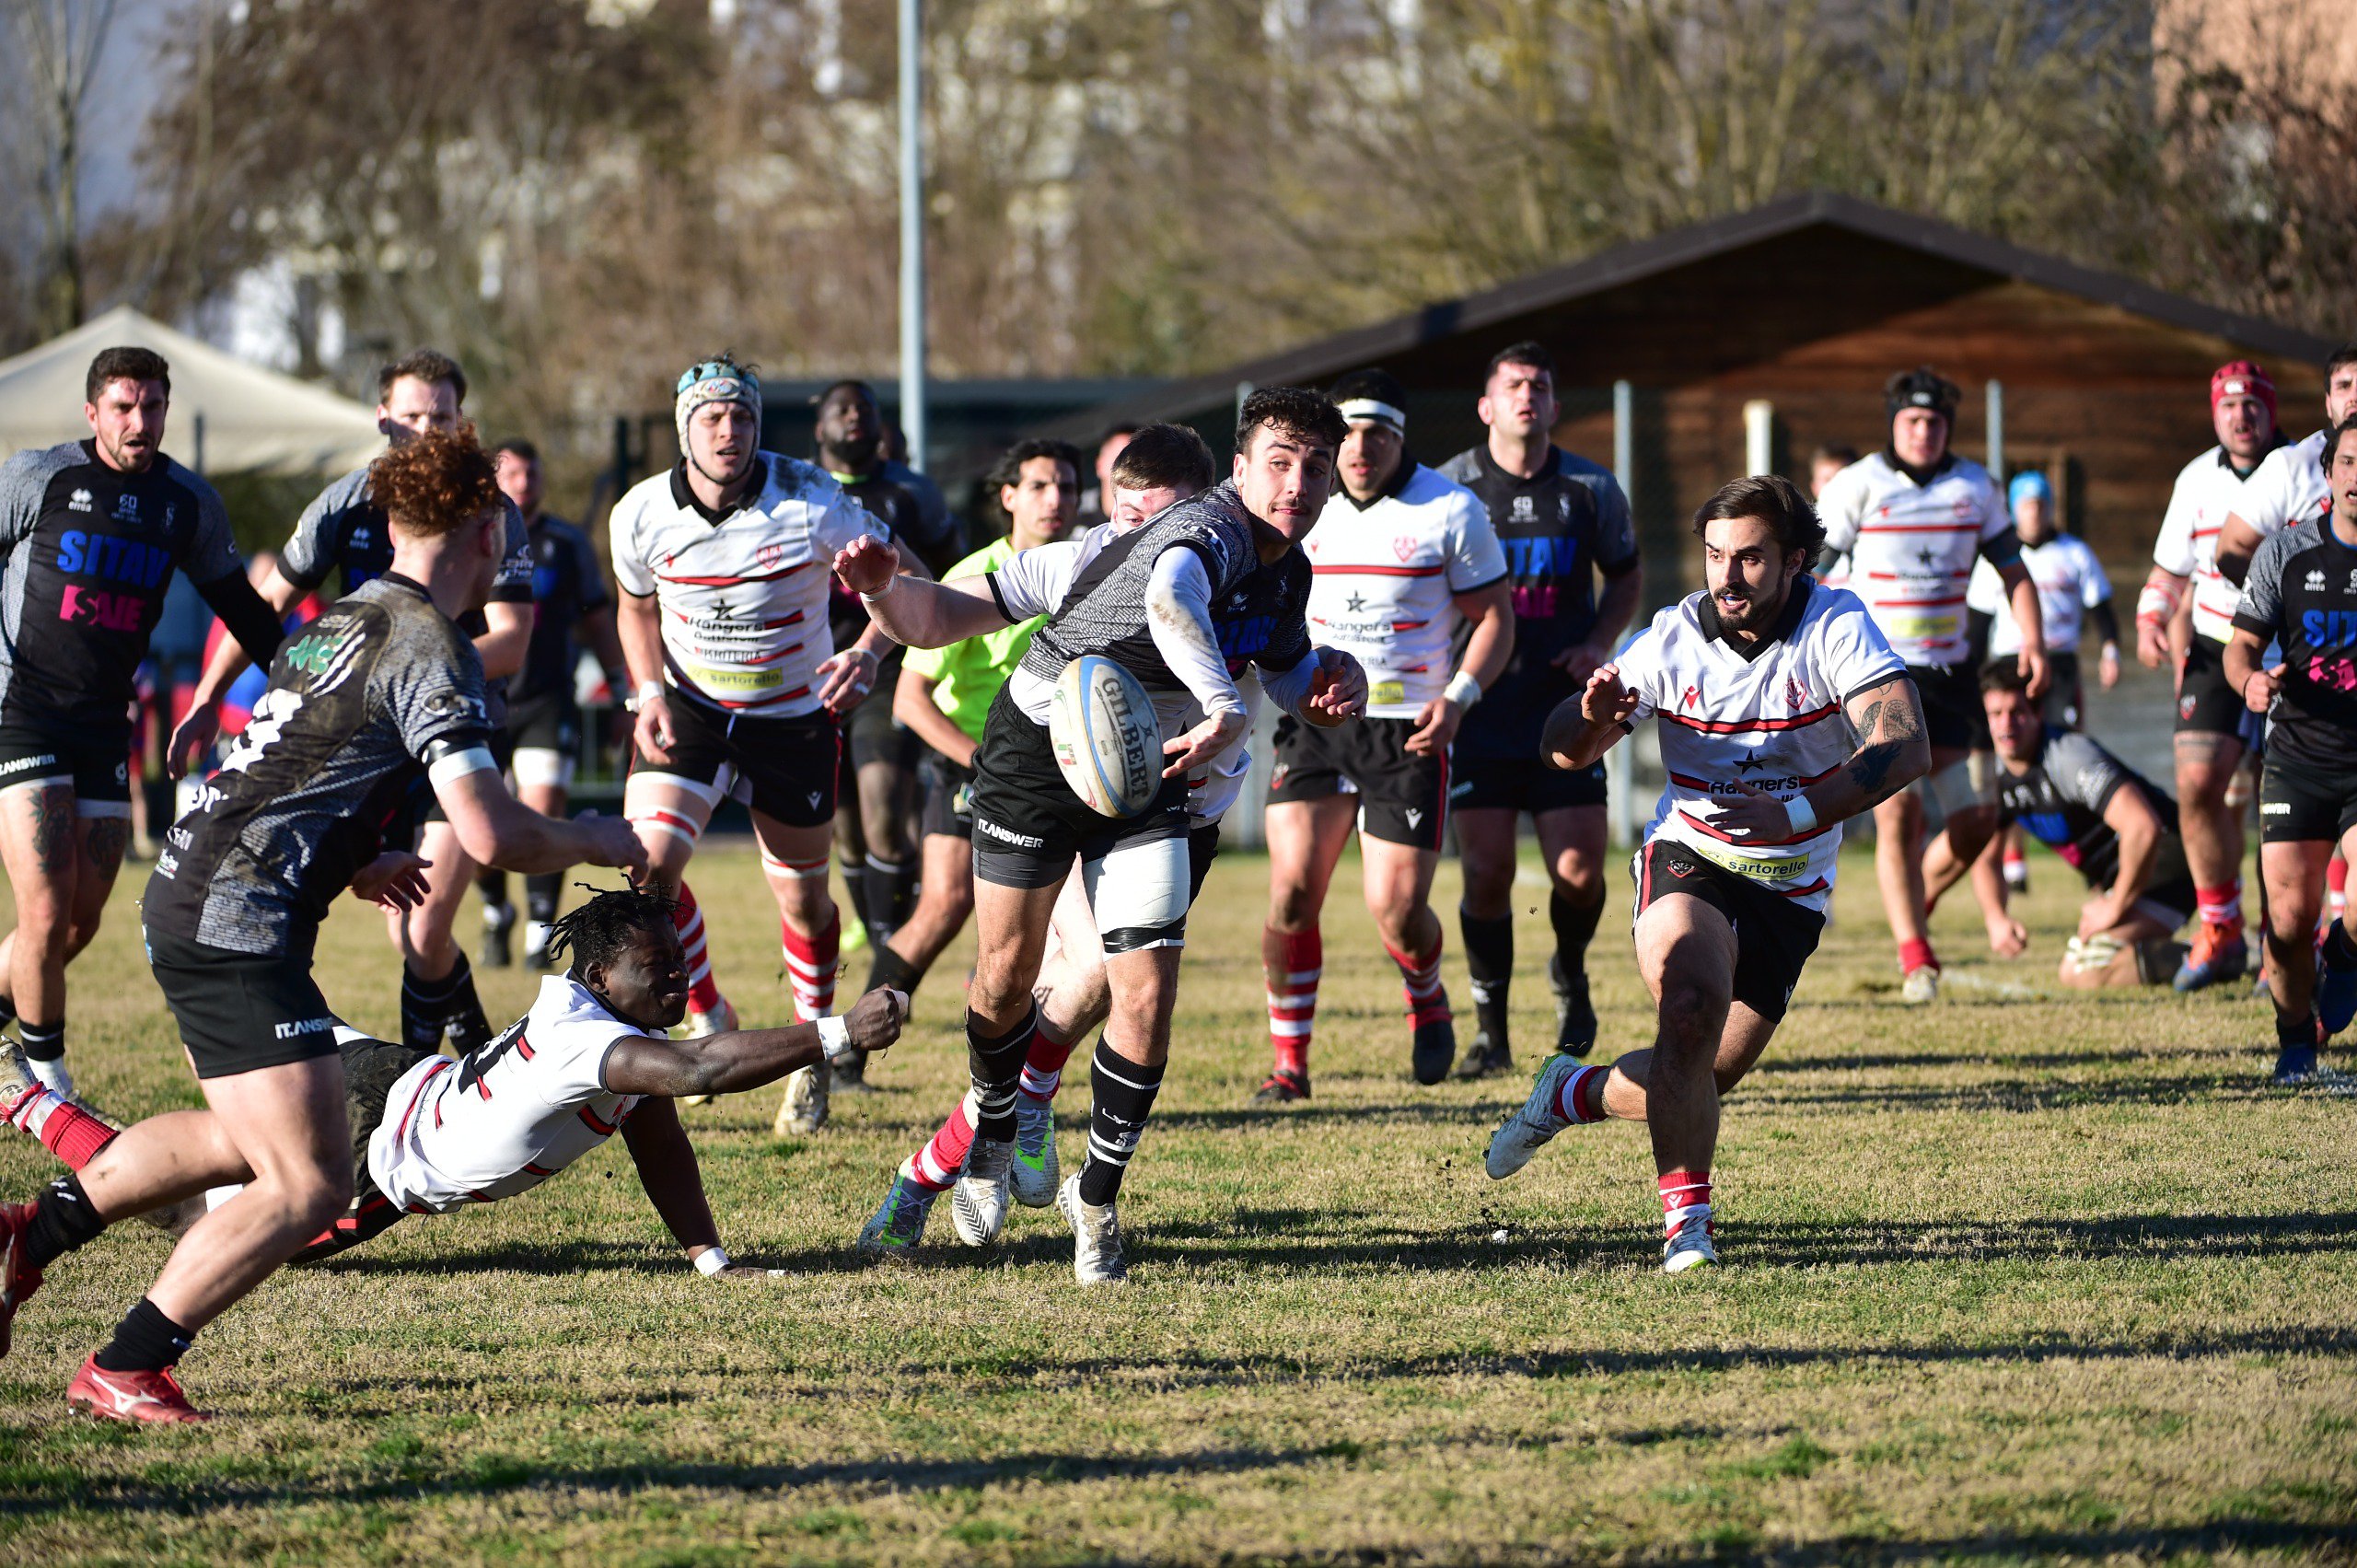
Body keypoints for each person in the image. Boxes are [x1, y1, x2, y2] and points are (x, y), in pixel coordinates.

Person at [0, 426, 646, 1423]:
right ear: (479, 533)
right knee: (309, 1181)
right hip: (235, 924)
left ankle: (28, 1236)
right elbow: (491, 829)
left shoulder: (349, 614)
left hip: (195, 890)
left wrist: (357, 854)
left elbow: (279, 770)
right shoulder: (434, 647)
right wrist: (600, 832)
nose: (509, 567)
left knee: (239, 1136)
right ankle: (126, 1364)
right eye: (506, 547)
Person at [834, 388, 1368, 1283]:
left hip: (1149, 772)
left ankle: (1095, 1197)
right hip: (1040, 752)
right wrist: (881, 597)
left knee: (1137, 993)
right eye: (1280, 460)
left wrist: (1325, 676)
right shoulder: (1171, 543)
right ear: (1236, 476)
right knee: (1007, 974)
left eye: (1314, 465)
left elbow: (1284, 669)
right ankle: (995, 1118)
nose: (1298, 482)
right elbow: (1160, 598)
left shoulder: (1286, 568)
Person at [1486, 474, 1927, 1271]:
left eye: (1751, 559)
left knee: (1702, 1070)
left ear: (1795, 560)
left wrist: (1793, 814)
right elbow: (1561, 750)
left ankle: (1569, 1093)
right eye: (1715, 556)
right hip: (1690, 853)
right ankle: (1687, 1229)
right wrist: (1587, 719)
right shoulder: (1673, 637)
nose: (1727, 576)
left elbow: (1905, 744)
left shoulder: (1836, 623)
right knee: (1688, 1007)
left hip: (1792, 883)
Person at [18, 889, 901, 1272]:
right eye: (655, 968)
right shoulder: (591, 1043)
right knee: (174, 1204)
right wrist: (836, 1032)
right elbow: (702, 1066)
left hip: (392, 1075)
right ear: (599, 979)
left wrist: (710, 1257)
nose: (675, 982)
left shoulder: (614, 1034)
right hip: (375, 1162)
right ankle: (27, 1099)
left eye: (678, 964)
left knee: (219, 1106)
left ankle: (181, 957)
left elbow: (660, 1133)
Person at [848, 425, 1235, 1255]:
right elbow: (937, 619)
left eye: (1164, 525)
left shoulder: (1233, 575)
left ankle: (1002, 1122)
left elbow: (1294, 667)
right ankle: (942, 1161)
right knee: (1023, 979)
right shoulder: (1076, 560)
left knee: (1092, 987)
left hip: (1172, 806)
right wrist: (884, 595)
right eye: (1130, 518)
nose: (1147, 543)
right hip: (1036, 780)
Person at [169, 348, 538, 1059]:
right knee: (409, 935)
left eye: (443, 417)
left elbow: (513, 641)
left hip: (451, 736)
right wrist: (212, 693)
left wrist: (403, 676)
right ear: (381, 420)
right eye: (411, 417)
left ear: (464, 423)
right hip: (369, 752)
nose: (428, 432)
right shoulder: (344, 502)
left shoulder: (494, 513)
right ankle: (474, 1043)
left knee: (425, 926)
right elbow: (266, 605)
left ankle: (422, 1082)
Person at [610, 355, 926, 1138]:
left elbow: (911, 583)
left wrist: (870, 652)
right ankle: (707, 1009)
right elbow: (634, 607)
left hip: (791, 718)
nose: (729, 432)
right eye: (712, 418)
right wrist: (648, 690)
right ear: (685, 428)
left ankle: (815, 1049)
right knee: (646, 867)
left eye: (742, 417)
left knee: (805, 902)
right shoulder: (641, 511)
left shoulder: (817, 500)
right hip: (688, 708)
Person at [0, 345, 287, 1098]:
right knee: (42, 907)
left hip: (103, 723)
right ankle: (48, 1087)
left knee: (77, 925)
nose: (140, 421)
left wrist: (307, 676)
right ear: (92, 412)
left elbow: (243, 609)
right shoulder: (39, 477)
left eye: (153, 405)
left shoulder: (186, 504)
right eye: (124, 406)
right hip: (22, 711)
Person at [1254, 369, 1513, 1098]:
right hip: (1315, 718)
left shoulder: (1450, 509)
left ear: (1403, 437)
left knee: (1397, 909)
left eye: (1379, 432)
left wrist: (1458, 698)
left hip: (1409, 729)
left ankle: (1426, 992)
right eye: (1348, 433)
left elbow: (1497, 618)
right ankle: (1289, 1067)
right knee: (1291, 893)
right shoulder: (1299, 505)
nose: (1360, 447)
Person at [1437, 342, 1641, 1077]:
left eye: (1541, 386)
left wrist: (1597, 640)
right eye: (1514, 385)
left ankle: (1570, 970)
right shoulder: (1450, 488)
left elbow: (1625, 573)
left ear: (1554, 406)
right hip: (1483, 711)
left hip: (1567, 710)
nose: (1529, 395)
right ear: (1487, 405)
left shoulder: (1591, 487)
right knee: (1486, 874)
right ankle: (1490, 1033)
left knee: (1582, 873)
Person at [1817, 366, 2047, 1004]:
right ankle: (1916, 955)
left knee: (1979, 817)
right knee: (1900, 816)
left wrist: (2032, 639)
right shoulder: (1855, 484)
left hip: (1952, 674)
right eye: (1913, 420)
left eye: (1935, 422)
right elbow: (1811, 577)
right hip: (1881, 673)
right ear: (1893, 420)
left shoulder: (1976, 487)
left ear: (1949, 427)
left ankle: (1912, 900)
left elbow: (2013, 569)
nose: (1923, 432)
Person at [861, 439, 1080, 1016]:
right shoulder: (974, 576)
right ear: (1008, 496)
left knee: (1072, 925)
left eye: (1066, 486)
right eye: (1038, 485)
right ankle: (849, 1049)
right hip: (971, 763)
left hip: (1067, 768)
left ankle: (1027, 1074)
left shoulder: (1096, 575)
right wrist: (984, 761)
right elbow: (910, 701)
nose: (1054, 498)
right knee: (944, 905)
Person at [2137, 360, 2303, 992]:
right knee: (2197, 783)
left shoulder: (2304, 467)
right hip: (2213, 641)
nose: (2241, 417)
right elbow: (2167, 572)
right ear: (2214, 413)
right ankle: (2221, 929)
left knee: (2281, 798)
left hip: (2291, 645)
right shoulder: (2194, 478)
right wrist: (2151, 619)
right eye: (2229, 406)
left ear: (2273, 410)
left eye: (2252, 406)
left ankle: (2283, 938)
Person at [2223, 413, 2357, 1085]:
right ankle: (2295, 1041)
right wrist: (2249, 679)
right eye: (2350, 463)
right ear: (2329, 476)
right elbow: (2241, 643)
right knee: (2286, 916)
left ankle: (2346, 956)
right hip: (2299, 755)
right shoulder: (2286, 551)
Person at [812, 379, 961, 964]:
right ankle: (881, 939)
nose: (854, 417)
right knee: (845, 831)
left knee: (883, 816)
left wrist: (876, 648)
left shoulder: (910, 493)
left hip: (889, 668)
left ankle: (886, 958)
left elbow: (943, 576)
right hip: (812, 679)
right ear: (817, 425)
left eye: (865, 409)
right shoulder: (801, 492)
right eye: (840, 408)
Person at [1930, 663, 2195, 988]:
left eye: (2017, 712)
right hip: (2132, 875)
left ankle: (2230, 955)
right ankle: (2209, 951)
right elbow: (1986, 856)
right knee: (2089, 964)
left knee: (2083, 968)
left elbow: (2144, 828)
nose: (2006, 725)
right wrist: (1996, 918)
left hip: (2172, 861)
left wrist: (2117, 904)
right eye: (1996, 713)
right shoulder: (1996, 773)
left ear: (2038, 712)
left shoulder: (2067, 756)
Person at [474, 438, 631, 970]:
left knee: (545, 811)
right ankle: (497, 911)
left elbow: (597, 621)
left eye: (531, 472)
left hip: (547, 700)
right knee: (480, 824)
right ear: (494, 480)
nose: (524, 482)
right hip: (482, 701)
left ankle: (541, 929)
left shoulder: (567, 543)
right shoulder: (472, 535)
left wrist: (619, 691)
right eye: (512, 473)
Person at [1964, 470, 2119, 892]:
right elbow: (1977, 623)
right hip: (2008, 667)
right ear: (2014, 510)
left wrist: (2110, 649)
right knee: (2009, 760)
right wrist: (1971, 679)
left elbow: (2102, 607)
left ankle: (2090, 849)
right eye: (2026, 505)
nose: (2035, 513)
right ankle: (2012, 861)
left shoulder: (2075, 553)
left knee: (2065, 754)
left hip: (2059, 666)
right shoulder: (1994, 558)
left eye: (2041, 504)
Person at [1076, 423, 1141, 528]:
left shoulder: (1154, 518)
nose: (1129, 469)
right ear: (1099, 465)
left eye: (1136, 462)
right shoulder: (1073, 514)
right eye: (1120, 460)